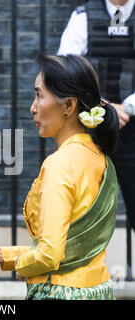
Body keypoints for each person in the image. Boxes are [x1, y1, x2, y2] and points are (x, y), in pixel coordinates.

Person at [0, 54, 119, 300]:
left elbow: (48, 255)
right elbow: (66, 248)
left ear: (68, 105)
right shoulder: (101, 160)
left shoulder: (59, 164)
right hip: (99, 290)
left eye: (39, 95)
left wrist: (22, 266)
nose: (32, 107)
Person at [58, 0, 135, 233]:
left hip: (133, 134)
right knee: (83, 216)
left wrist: (128, 107)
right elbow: (64, 73)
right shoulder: (83, 16)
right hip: (92, 133)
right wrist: (106, 106)